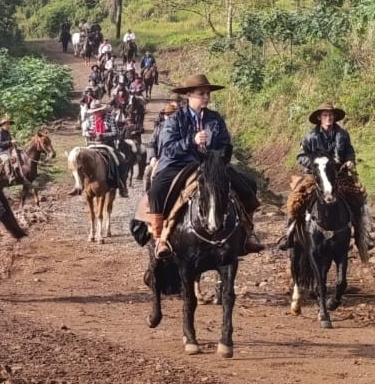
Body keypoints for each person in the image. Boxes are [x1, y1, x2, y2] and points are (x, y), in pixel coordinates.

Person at [146, 73, 264, 258]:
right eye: (201, 93)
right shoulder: (175, 119)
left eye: (208, 93)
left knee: (249, 184)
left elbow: (225, 143)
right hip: (179, 164)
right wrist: (191, 141)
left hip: (211, 164)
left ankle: (247, 233)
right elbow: (168, 149)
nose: (206, 97)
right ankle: (161, 238)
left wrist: (218, 155)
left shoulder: (215, 119)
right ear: (189, 95)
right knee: (156, 191)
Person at [279, 103, 366, 251]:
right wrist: (315, 164)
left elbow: (349, 151)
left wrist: (350, 160)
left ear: (335, 117)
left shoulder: (343, 135)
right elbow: (300, 156)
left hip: (339, 174)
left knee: (358, 197)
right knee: (295, 199)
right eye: (325, 115)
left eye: (331, 115)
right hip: (315, 175)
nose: (328, 118)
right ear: (319, 118)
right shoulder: (310, 137)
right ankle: (289, 233)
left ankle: (359, 235)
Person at [79, 104, 129, 199]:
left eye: (97, 111)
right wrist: (87, 133)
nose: (96, 113)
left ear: (102, 110)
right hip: (92, 144)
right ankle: (79, 185)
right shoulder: (90, 119)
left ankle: (122, 186)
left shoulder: (110, 118)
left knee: (121, 160)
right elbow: (84, 132)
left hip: (107, 144)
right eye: (94, 111)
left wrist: (103, 135)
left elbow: (116, 133)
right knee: (81, 162)